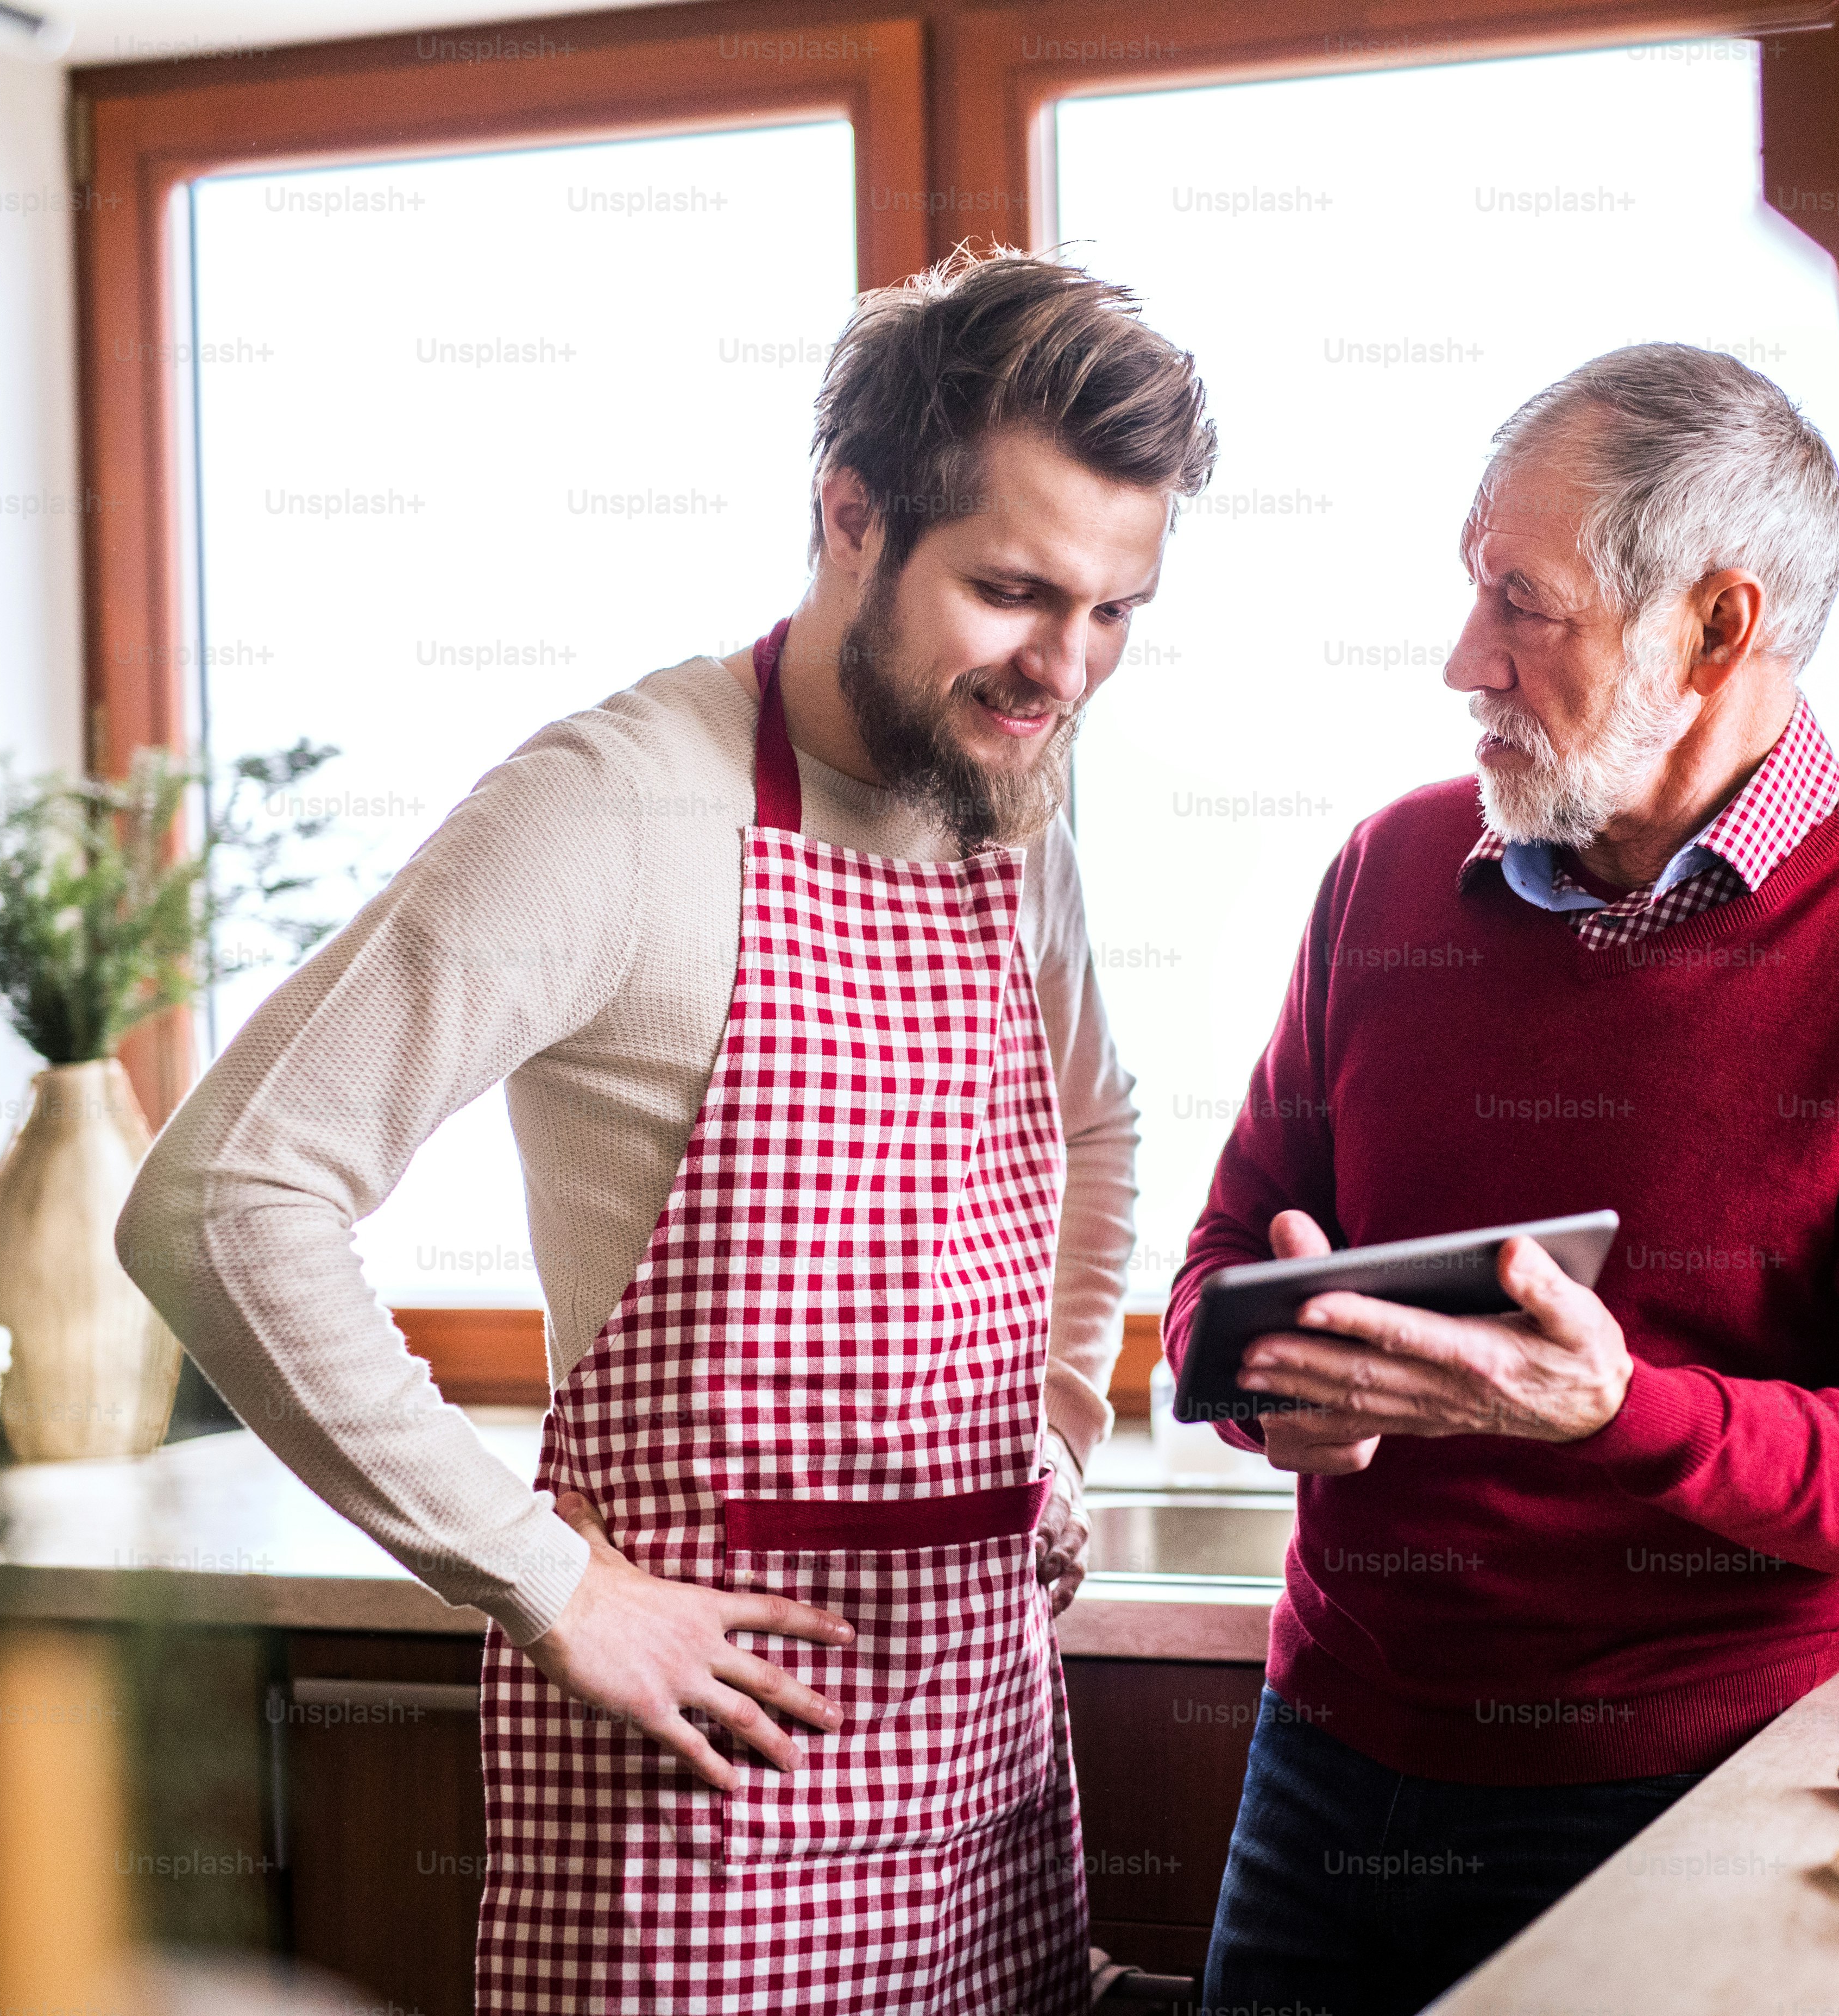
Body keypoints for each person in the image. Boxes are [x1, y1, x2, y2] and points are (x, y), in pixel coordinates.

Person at [120, 247, 1216, 2013]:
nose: (1064, 667)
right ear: (850, 515)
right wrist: (554, 1585)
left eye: (1115, 614)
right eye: (1015, 591)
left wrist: (1065, 1422)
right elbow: (225, 1202)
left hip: (985, 1786)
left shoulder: (1005, 793)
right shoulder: (616, 813)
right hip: (701, 1819)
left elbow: (1096, 1127)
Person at [1168, 343, 1839, 2015]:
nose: (1463, 661)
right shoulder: (1385, 871)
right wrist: (1268, 1393)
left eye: (1526, 604)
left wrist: (1615, 1411)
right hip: (1325, 1765)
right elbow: (1220, 1264)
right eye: (1471, 588)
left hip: (1689, 1797)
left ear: (1718, 630)